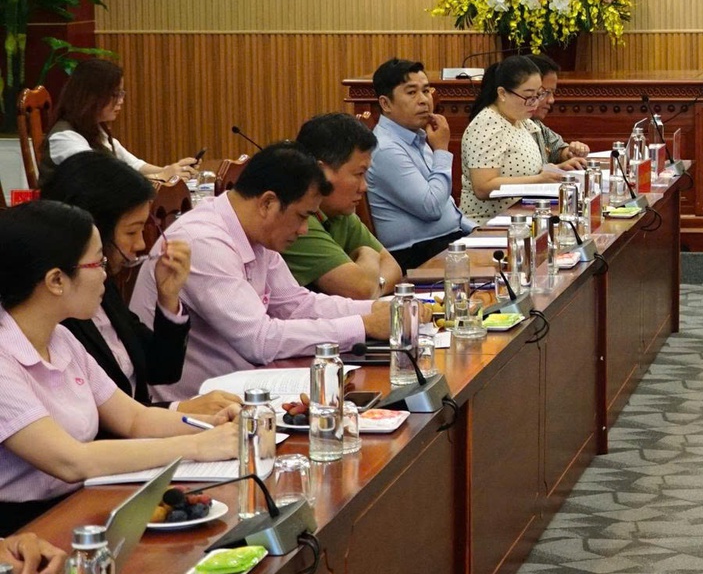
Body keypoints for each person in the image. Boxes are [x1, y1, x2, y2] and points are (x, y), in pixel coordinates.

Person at [0, 201, 239, 533]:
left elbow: (134, 419)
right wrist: (198, 446)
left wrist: (210, 426)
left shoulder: (61, 338)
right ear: (56, 280)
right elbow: (71, 461)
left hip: (84, 502)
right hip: (24, 530)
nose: (106, 273)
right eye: (97, 262)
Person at [130, 145, 394, 403]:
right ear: (268, 203)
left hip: (245, 389)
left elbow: (297, 305)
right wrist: (363, 325)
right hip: (193, 408)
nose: (304, 229)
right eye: (302, 216)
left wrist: (379, 311)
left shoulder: (256, 233)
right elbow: (259, 340)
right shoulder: (203, 241)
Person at [40, 154, 234, 415]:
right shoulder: (55, 310)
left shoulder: (104, 286)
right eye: (131, 231)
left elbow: (161, 370)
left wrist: (168, 298)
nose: (142, 244)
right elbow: (94, 420)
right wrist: (179, 410)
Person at [366, 58, 474, 272]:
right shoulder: (386, 149)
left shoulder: (416, 135)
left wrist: (476, 231)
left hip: (445, 242)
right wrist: (441, 150)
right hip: (417, 255)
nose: (424, 100)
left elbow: (446, 205)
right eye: (411, 92)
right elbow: (431, 208)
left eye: (426, 91)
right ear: (386, 104)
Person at [284, 113, 404, 300]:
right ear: (320, 172)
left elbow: (393, 269)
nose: (364, 187)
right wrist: (369, 254)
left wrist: (374, 287)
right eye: (359, 174)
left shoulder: (339, 212)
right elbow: (358, 290)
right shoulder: (295, 219)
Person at [44, 60, 194, 184]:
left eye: (122, 93)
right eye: (115, 94)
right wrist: (161, 176)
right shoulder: (64, 137)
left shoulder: (95, 129)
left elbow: (134, 165)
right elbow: (104, 181)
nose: (121, 101)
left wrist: (172, 170)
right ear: (91, 96)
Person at [459, 56, 564, 223]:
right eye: (528, 96)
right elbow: (483, 187)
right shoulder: (488, 124)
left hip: (521, 217)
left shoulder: (520, 121)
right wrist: (538, 180)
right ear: (502, 93)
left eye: (538, 95)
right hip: (488, 224)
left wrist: (552, 171)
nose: (535, 103)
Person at [526, 54, 589, 169]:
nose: (551, 100)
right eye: (545, 92)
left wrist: (572, 152)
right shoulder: (506, 126)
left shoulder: (536, 124)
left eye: (552, 93)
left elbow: (557, 149)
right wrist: (558, 169)